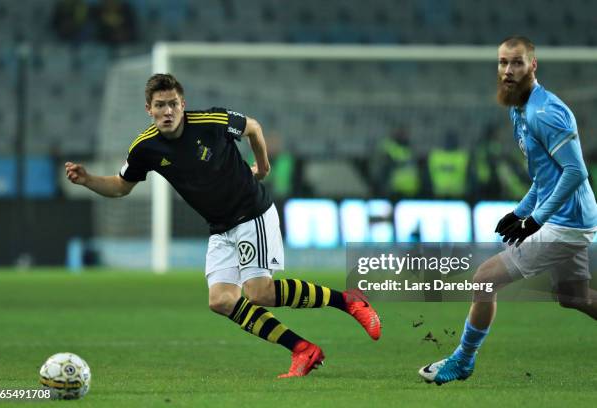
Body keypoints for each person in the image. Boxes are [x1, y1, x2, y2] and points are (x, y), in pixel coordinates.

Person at [65, 73, 381, 378]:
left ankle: (349, 301)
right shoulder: (145, 148)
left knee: (259, 292)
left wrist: (264, 166)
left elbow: (253, 128)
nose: (168, 111)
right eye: (160, 105)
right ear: (149, 109)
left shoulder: (211, 122)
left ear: (183, 103)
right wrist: (87, 180)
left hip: (251, 212)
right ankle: (302, 349)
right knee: (221, 300)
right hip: (220, 226)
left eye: (173, 103)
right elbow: (121, 186)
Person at [418, 36, 597, 385]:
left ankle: (463, 360)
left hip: (565, 221)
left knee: (484, 280)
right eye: (503, 63)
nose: (508, 70)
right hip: (571, 217)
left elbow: (576, 172)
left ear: (533, 65)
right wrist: (520, 211)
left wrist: (535, 221)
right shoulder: (520, 110)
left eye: (516, 63)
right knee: (574, 297)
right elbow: (546, 177)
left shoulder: (545, 112)